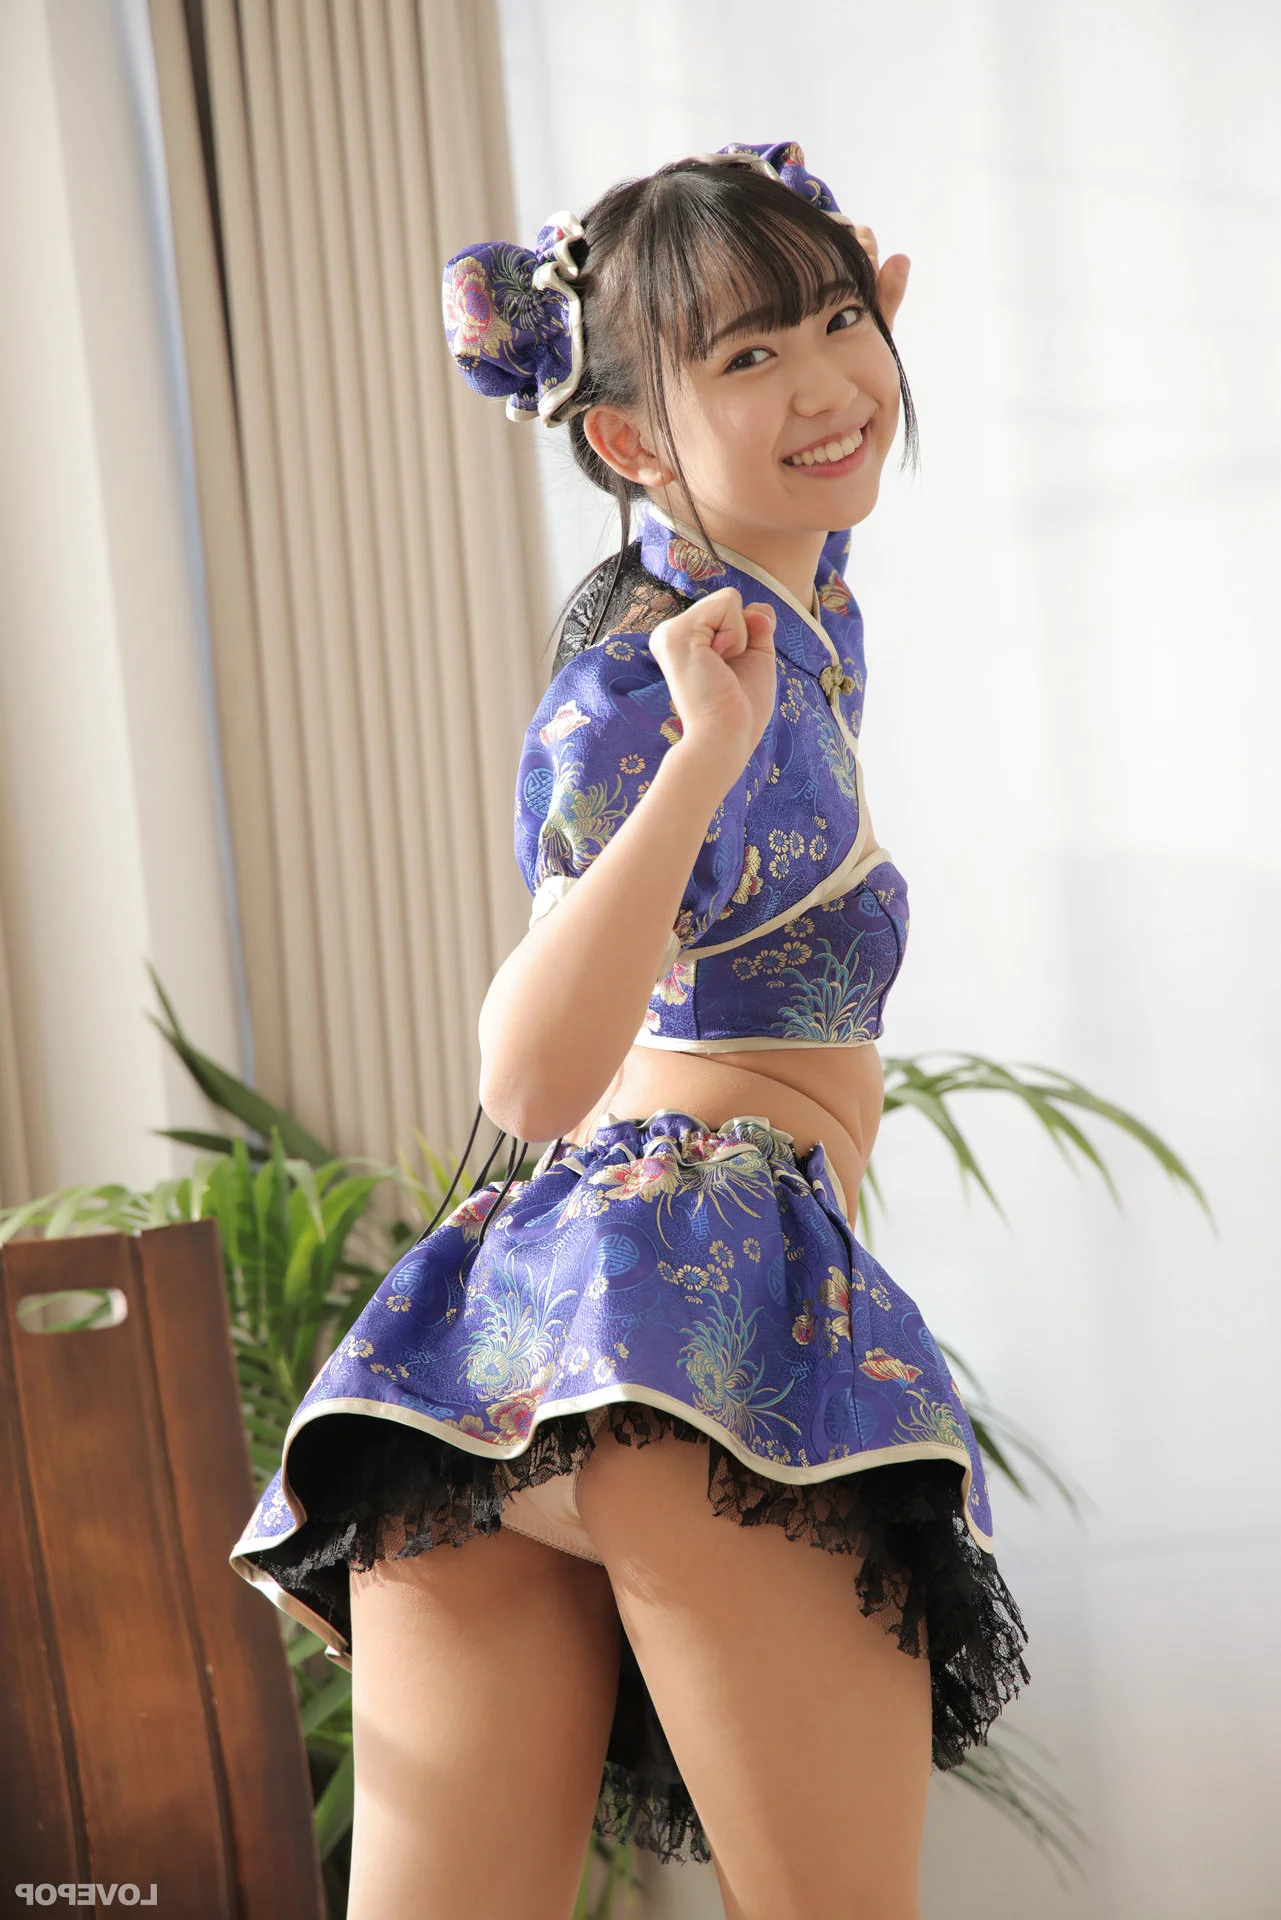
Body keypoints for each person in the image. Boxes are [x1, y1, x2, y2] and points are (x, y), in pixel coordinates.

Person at [229, 140, 1030, 1920]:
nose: (827, 385)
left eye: (840, 323)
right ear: (626, 440)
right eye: (749, 357)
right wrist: (698, 767)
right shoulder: (657, 694)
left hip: (516, 1352)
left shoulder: (782, 603)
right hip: (691, 1311)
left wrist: (812, 339)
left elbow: (815, 445)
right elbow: (527, 1071)